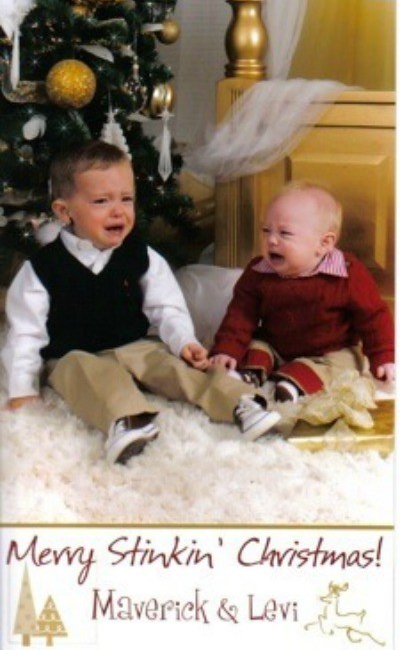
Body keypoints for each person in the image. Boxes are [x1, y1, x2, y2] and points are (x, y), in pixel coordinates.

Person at [1, 140, 281, 464]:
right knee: (86, 375)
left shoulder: (140, 255)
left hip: (135, 344)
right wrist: (22, 388)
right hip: (73, 353)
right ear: (64, 212)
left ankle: (241, 402)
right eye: (101, 201)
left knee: (175, 366)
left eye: (126, 199)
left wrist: (184, 340)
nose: (118, 211)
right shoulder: (41, 269)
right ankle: (128, 419)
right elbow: (25, 334)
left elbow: (166, 306)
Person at [209, 181, 395, 405]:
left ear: (324, 243)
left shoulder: (347, 273)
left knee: (344, 366)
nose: (271, 240)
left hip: (329, 350)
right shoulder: (259, 271)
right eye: (266, 230)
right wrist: (227, 349)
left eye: (285, 233)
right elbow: (241, 314)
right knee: (255, 344)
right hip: (276, 344)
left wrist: (384, 356)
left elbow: (373, 317)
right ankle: (252, 374)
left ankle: (292, 383)